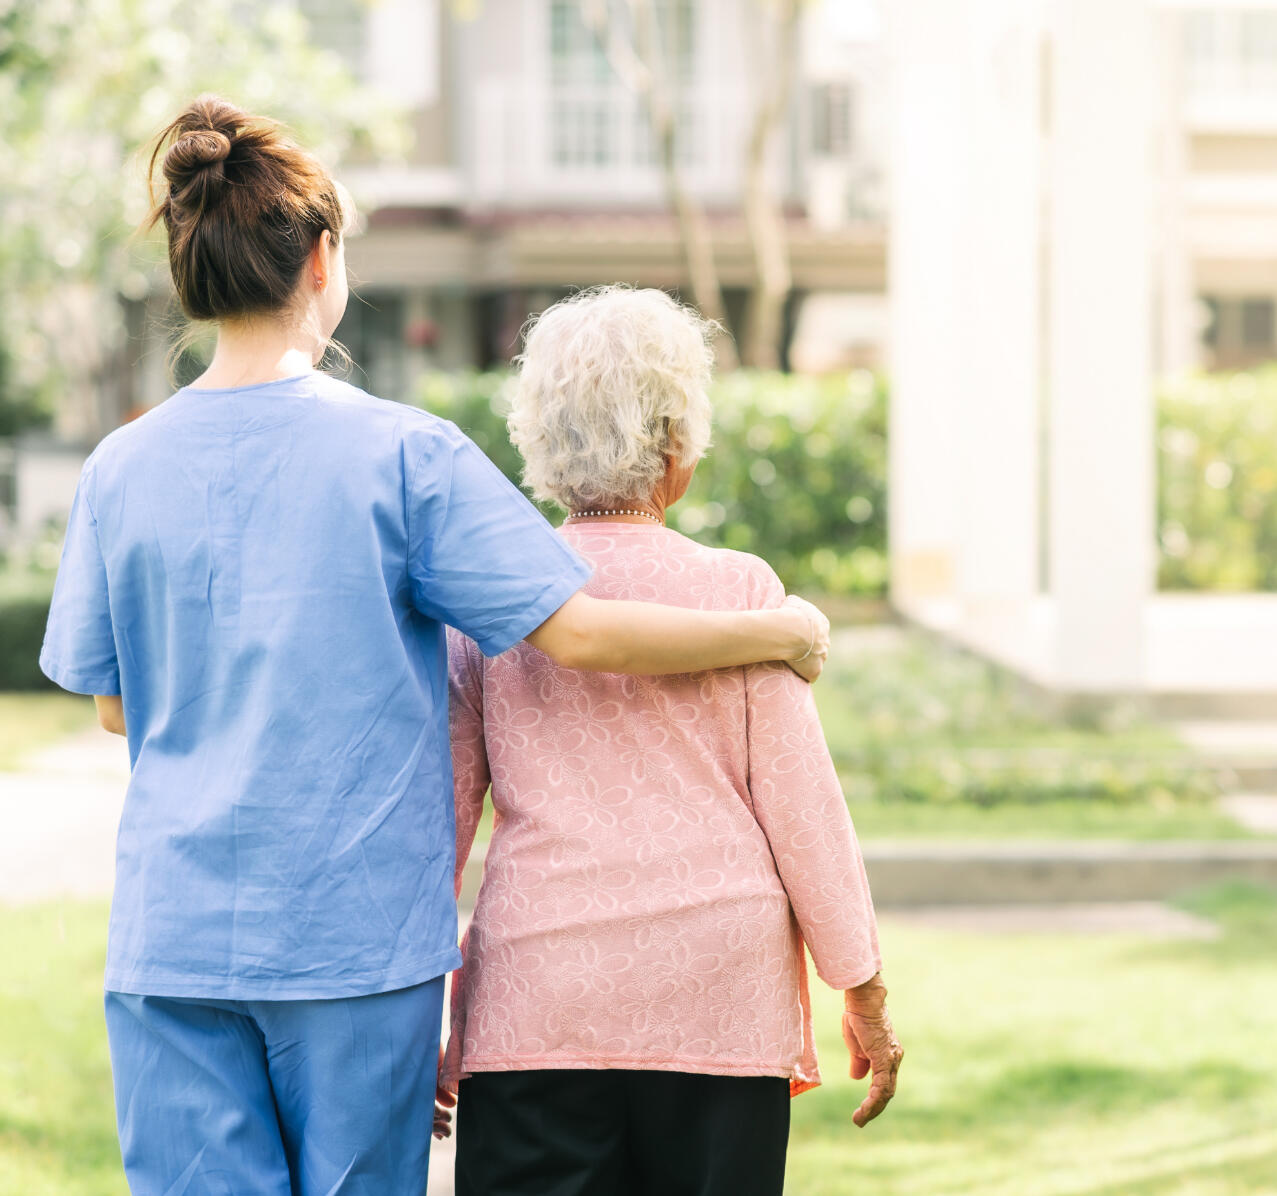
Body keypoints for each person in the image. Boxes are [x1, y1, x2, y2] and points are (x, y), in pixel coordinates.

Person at [37, 99, 830, 1196]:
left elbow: (118, 708)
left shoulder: (117, 469)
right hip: (352, 947)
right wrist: (772, 629)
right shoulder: (403, 454)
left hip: (172, 940)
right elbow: (580, 627)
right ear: (322, 259)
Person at [439, 287, 903, 1196]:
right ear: (674, 443)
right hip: (717, 1000)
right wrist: (864, 992)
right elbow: (803, 813)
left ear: (539, 439)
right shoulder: (740, 593)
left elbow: (437, 827)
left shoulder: (491, 605)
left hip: (540, 998)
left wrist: (413, 1020)